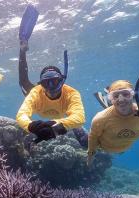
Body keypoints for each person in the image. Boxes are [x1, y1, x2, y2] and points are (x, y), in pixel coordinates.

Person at [15, 5, 87, 145]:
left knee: (85, 141)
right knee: (24, 83)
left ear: (62, 81)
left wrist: (56, 127)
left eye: (55, 81)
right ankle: (22, 50)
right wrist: (31, 126)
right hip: (56, 114)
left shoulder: (71, 93)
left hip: (64, 116)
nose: (51, 87)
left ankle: (76, 131)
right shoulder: (36, 92)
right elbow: (21, 115)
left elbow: (80, 117)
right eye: (46, 83)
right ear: (40, 84)